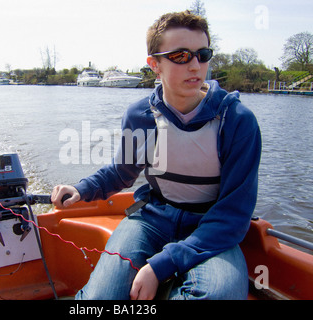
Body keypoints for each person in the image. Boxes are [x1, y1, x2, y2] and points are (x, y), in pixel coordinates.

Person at [51, 11, 261, 300]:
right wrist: (81, 188)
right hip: (151, 217)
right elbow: (120, 172)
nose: (195, 66)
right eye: (181, 56)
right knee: (100, 298)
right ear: (154, 65)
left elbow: (234, 213)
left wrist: (159, 267)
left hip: (212, 228)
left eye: (203, 54)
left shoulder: (237, 121)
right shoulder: (140, 116)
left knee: (217, 295)